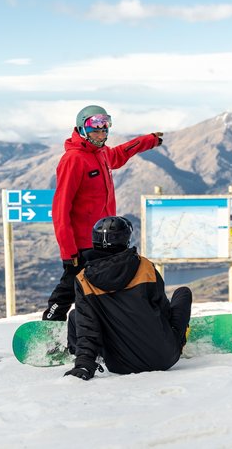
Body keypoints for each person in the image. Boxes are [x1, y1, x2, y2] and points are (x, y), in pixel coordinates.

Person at [43, 105, 164, 321]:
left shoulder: (101, 153)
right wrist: (68, 252)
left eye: (104, 130)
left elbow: (120, 154)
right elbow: (60, 209)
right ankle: (50, 323)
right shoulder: (74, 159)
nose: (100, 135)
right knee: (70, 286)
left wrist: (149, 140)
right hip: (82, 245)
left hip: (105, 240)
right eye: (95, 131)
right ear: (82, 130)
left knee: (109, 287)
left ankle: (111, 327)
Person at [64, 216, 193, 380]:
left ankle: (80, 353)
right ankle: (178, 338)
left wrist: (83, 364)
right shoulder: (145, 267)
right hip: (165, 357)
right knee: (183, 293)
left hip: (120, 365)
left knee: (76, 316)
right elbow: (164, 311)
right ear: (125, 239)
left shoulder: (83, 280)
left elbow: (87, 327)